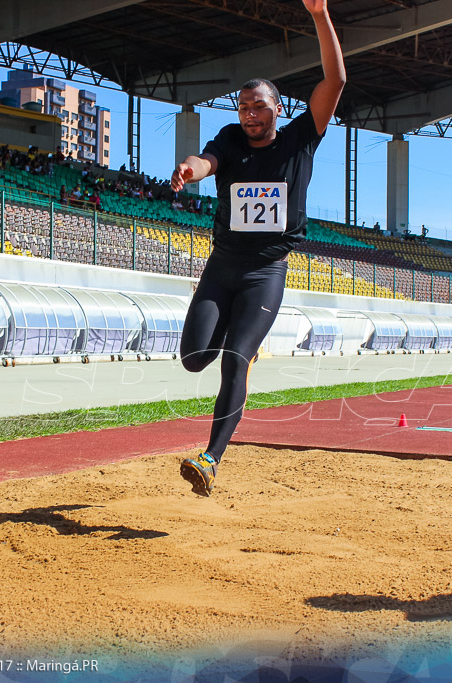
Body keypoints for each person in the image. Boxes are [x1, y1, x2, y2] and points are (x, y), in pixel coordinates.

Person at [169, 0, 344, 496]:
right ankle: (232, 339)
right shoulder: (229, 139)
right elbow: (207, 161)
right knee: (193, 358)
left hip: (265, 272)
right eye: (243, 107)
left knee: (235, 360)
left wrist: (319, 15)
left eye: (258, 106)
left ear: (277, 109)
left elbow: (335, 83)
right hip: (222, 267)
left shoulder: (299, 140)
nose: (249, 114)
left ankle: (209, 458)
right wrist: (190, 168)